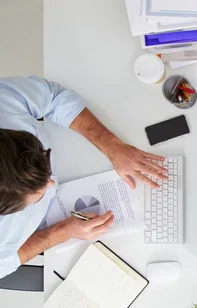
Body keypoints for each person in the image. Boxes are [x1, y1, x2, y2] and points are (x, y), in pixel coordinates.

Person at [0, 76, 168, 280]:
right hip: (55, 223)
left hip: (74, 158)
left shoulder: (3, 102)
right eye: (38, 191)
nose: (51, 182)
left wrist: (112, 146)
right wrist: (60, 233)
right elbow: (7, 262)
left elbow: (53, 97)